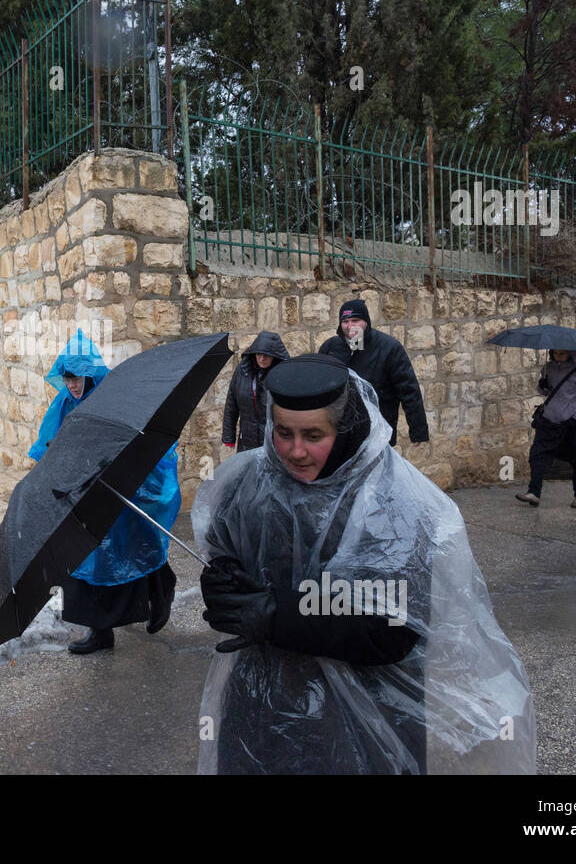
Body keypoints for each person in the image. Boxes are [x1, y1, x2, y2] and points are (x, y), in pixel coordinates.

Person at [194, 354, 536, 774]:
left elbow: (394, 629)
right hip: (259, 709)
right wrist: (223, 587)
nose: (295, 451)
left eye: (313, 435)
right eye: (283, 432)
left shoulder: (395, 502)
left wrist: (277, 616)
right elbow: (224, 556)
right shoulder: (247, 483)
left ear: (345, 429)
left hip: (361, 722)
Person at [29, 331, 181, 655]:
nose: (72, 385)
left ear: (90, 373)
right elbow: (48, 443)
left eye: (78, 377)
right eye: (68, 378)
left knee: (138, 545)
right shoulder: (65, 404)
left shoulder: (114, 395)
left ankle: (161, 590)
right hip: (85, 493)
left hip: (125, 488)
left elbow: (139, 438)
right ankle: (100, 632)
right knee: (87, 561)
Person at [318, 299, 428, 447]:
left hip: (378, 433)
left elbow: (409, 390)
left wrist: (418, 431)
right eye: (345, 321)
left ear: (366, 322)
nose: (350, 326)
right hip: (339, 431)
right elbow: (319, 386)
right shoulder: (330, 347)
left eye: (355, 320)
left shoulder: (389, 348)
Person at [516, 349, 576, 508]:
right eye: (555, 353)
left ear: (570, 354)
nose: (558, 357)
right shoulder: (548, 368)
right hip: (548, 422)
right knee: (538, 455)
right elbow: (547, 391)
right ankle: (534, 492)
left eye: (562, 354)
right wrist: (543, 386)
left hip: (571, 425)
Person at [222, 331, 290, 452]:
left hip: (274, 444)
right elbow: (231, 404)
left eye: (266, 355)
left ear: (274, 355)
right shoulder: (243, 371)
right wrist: (228, 437)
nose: (262, 358)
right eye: (259, 354)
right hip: (247, 441)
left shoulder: (283, 374)